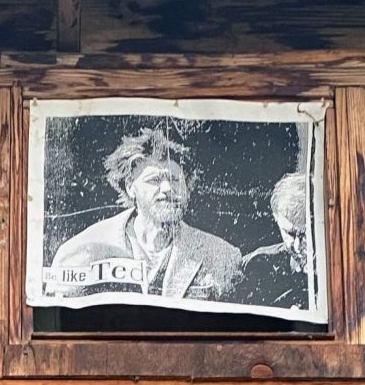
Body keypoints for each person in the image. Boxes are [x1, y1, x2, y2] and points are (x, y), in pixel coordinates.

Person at [47, 128, 242, 300]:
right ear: (130, 187)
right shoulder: (82, 250)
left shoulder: (221, 255)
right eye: (154, 180)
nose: (167, 188)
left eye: (174, 179)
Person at [236, 172, 311, 309]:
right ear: (277, 220)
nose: (297, 245)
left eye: (306, 235)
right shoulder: (257, 264)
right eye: (290, 234)